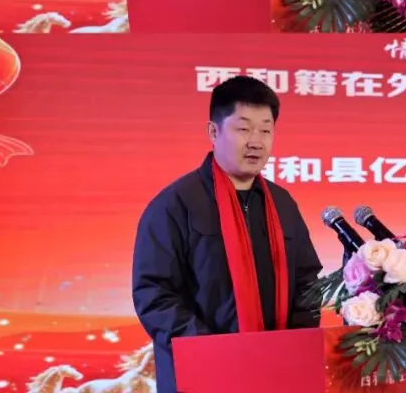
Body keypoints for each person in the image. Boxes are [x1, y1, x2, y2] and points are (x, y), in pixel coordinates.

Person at [132, 75, 323, 393]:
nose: (256, 141)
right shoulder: (175, 204)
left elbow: (307, 280)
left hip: (277, 372)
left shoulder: (282, 203)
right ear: (213, 132)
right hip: (201, 374)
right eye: (243, 129)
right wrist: (217, 351)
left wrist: (294, 343)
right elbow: (154, 295)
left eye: (265, 130)